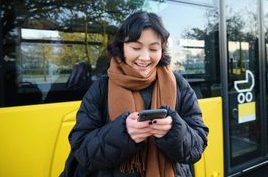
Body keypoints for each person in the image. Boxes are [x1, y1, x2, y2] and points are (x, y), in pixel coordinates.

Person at [61, 11, 209, 177]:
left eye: (153, 48)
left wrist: (173, 130)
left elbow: (198, 145)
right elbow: (82, 150)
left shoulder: (179, 85)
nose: (145, 57)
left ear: (162, 49)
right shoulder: (101, 87)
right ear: (122, 47)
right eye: (136, 48)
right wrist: (124, 133)